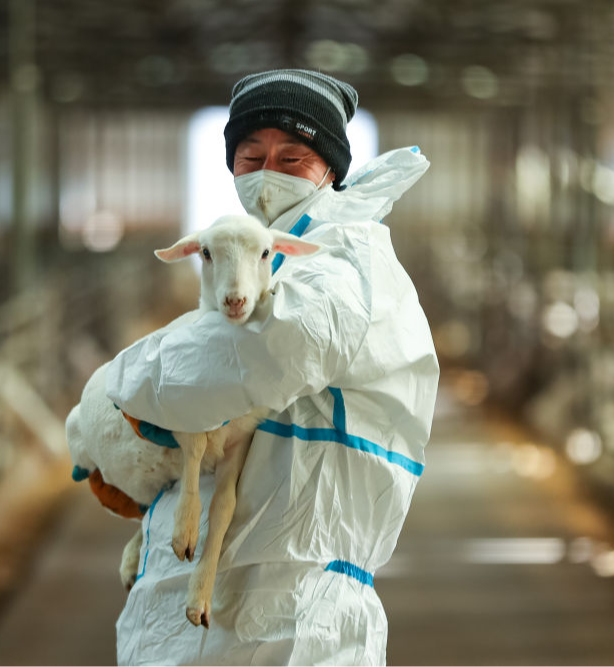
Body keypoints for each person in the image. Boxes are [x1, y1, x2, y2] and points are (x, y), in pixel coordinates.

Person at [101, 69, 438, 666]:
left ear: (330, 167)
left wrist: (116, 390)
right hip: (215, 612)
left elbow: (235, 363)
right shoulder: (265, 258)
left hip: (288, 616)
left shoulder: (342, 261)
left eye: (293, 157)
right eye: (250, 156)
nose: (265, 174)